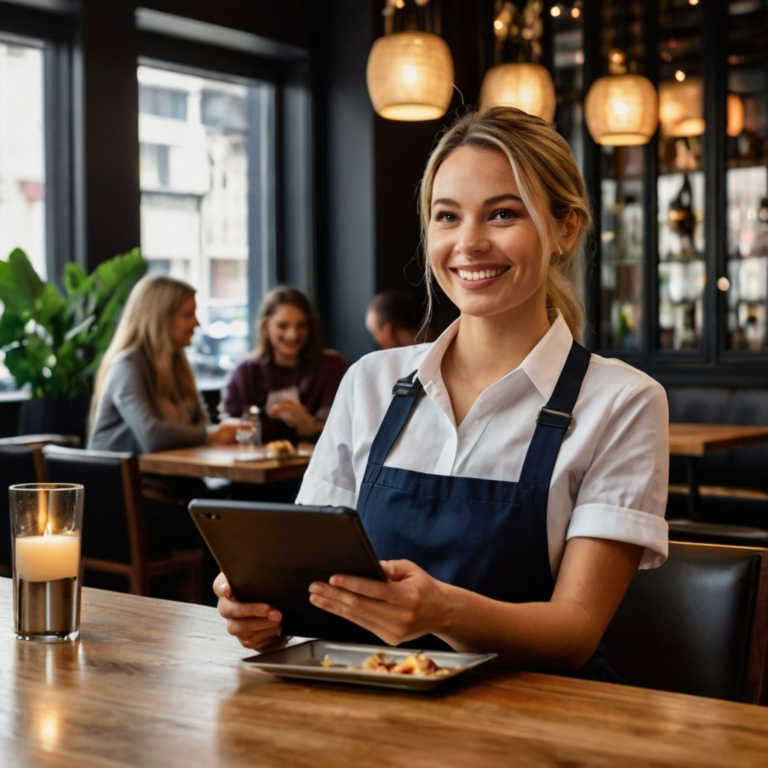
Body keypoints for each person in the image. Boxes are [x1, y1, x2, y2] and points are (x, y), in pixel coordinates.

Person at [215, 107, 669, 680]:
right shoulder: (370, 383)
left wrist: (442, 610)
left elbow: (575, 632)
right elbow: (310, 582)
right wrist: (262, 611)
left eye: (503, 213)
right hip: (367, 704)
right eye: (447, 217)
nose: (469, 243)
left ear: (565, 228)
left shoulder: (623, 401)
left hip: (538, 720)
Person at [89, 274, 239, 454]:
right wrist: (210, 435)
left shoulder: (177, 364)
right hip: (124, 480)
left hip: (168, 476)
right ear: (160, 318)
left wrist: (221, 432)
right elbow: (152, 437)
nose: (197, 323)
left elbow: (198, 425)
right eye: (188, 314)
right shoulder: (127, 365)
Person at [220, 285, 347, 445]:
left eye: (301, 325)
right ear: (266, 326)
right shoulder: (245, 370)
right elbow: (230, 427)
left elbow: (340, 432)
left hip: (315, 465)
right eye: (282, 326)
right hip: (257, 464)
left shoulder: (331, 366)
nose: (293, 334)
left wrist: (309, 426)